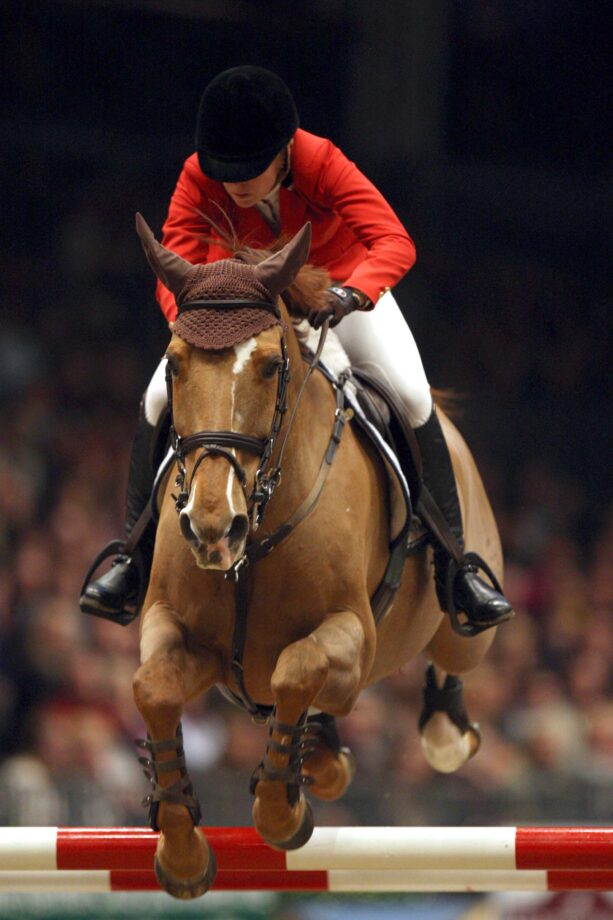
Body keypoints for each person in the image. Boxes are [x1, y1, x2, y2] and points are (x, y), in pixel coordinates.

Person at [80, 65, 512, 631]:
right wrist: (199, 316)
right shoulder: (197, 172)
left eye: (249, 170)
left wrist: (351, 293)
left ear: (285, 151)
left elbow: (393, 241)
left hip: (337, 294)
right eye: (223, 170)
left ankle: (457, 570)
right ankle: (132, 563)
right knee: (158, 398)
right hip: (237, 312)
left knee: (410, 394)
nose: (233, 183)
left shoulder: (322, 162)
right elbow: (176, 263)